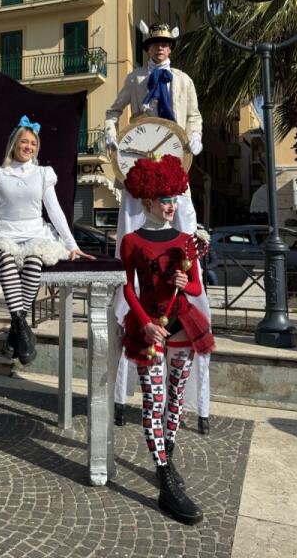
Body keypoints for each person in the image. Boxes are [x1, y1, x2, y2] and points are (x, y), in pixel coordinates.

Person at [105, 21, 212, 434]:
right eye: (154, 44)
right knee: (132, 243)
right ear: (148, 47)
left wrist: (196, 137)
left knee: (182, 235)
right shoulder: (135, 79)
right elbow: (113, 110)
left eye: (165, 44)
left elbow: (194, 115)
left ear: (171, 47)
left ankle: (191, 394)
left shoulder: (183, 80)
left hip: (175, 163)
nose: (160, 49)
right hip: (138, 165)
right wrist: (111, 135)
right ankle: (121, 388)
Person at [120, 154, 215, 525]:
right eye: (165, 200)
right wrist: (144, 323)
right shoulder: (131, 241)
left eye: (174, 199)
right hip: (149, 329)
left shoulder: (186, 241)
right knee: (153, 400)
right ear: (148, 201)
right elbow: (128, 288)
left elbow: (195, 287)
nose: (171, 206)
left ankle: (168, 456)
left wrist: (184, 282)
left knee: (175, 398)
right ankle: (164, 478)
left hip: (182, 326)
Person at [0, 116, 94, 364]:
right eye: (24, 142)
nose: (29, 146)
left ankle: (15, 331)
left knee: (34, 259)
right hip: (4, 233)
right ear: (14, 143)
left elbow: (55, 210)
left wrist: (72, 244)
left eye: (33, 143)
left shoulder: (43, 173)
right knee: (5, 257)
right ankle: (23, 328)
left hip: (36, 234)